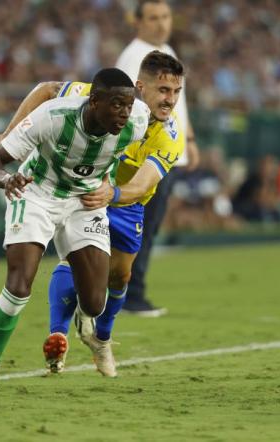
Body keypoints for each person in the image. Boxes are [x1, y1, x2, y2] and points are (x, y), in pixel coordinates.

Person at [0, 51, 186, 377]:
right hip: (81, 191)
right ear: (139, 88)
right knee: (75, 260)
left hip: (126, 201)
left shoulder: (170, 136)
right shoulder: (98, 97)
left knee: (119, 277)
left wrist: (113, 193)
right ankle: (57, 333)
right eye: (163, 91)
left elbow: (142, 183)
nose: (170, 100)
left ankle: (100, 339)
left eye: (176, 92)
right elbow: (47, 89)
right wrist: (10, 134)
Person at [116, 0, 200, 316]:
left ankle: (128, 292)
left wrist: (188, 139)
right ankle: (129, 294)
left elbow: (178, 104)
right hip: (146, 157)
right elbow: (125, 106)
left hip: (168, 153)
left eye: (165, 16)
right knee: (139, 228)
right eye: (153, 17)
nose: (161, 23)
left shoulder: (166, 52)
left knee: (147, 228)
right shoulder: (134, 57)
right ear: (136, 22)